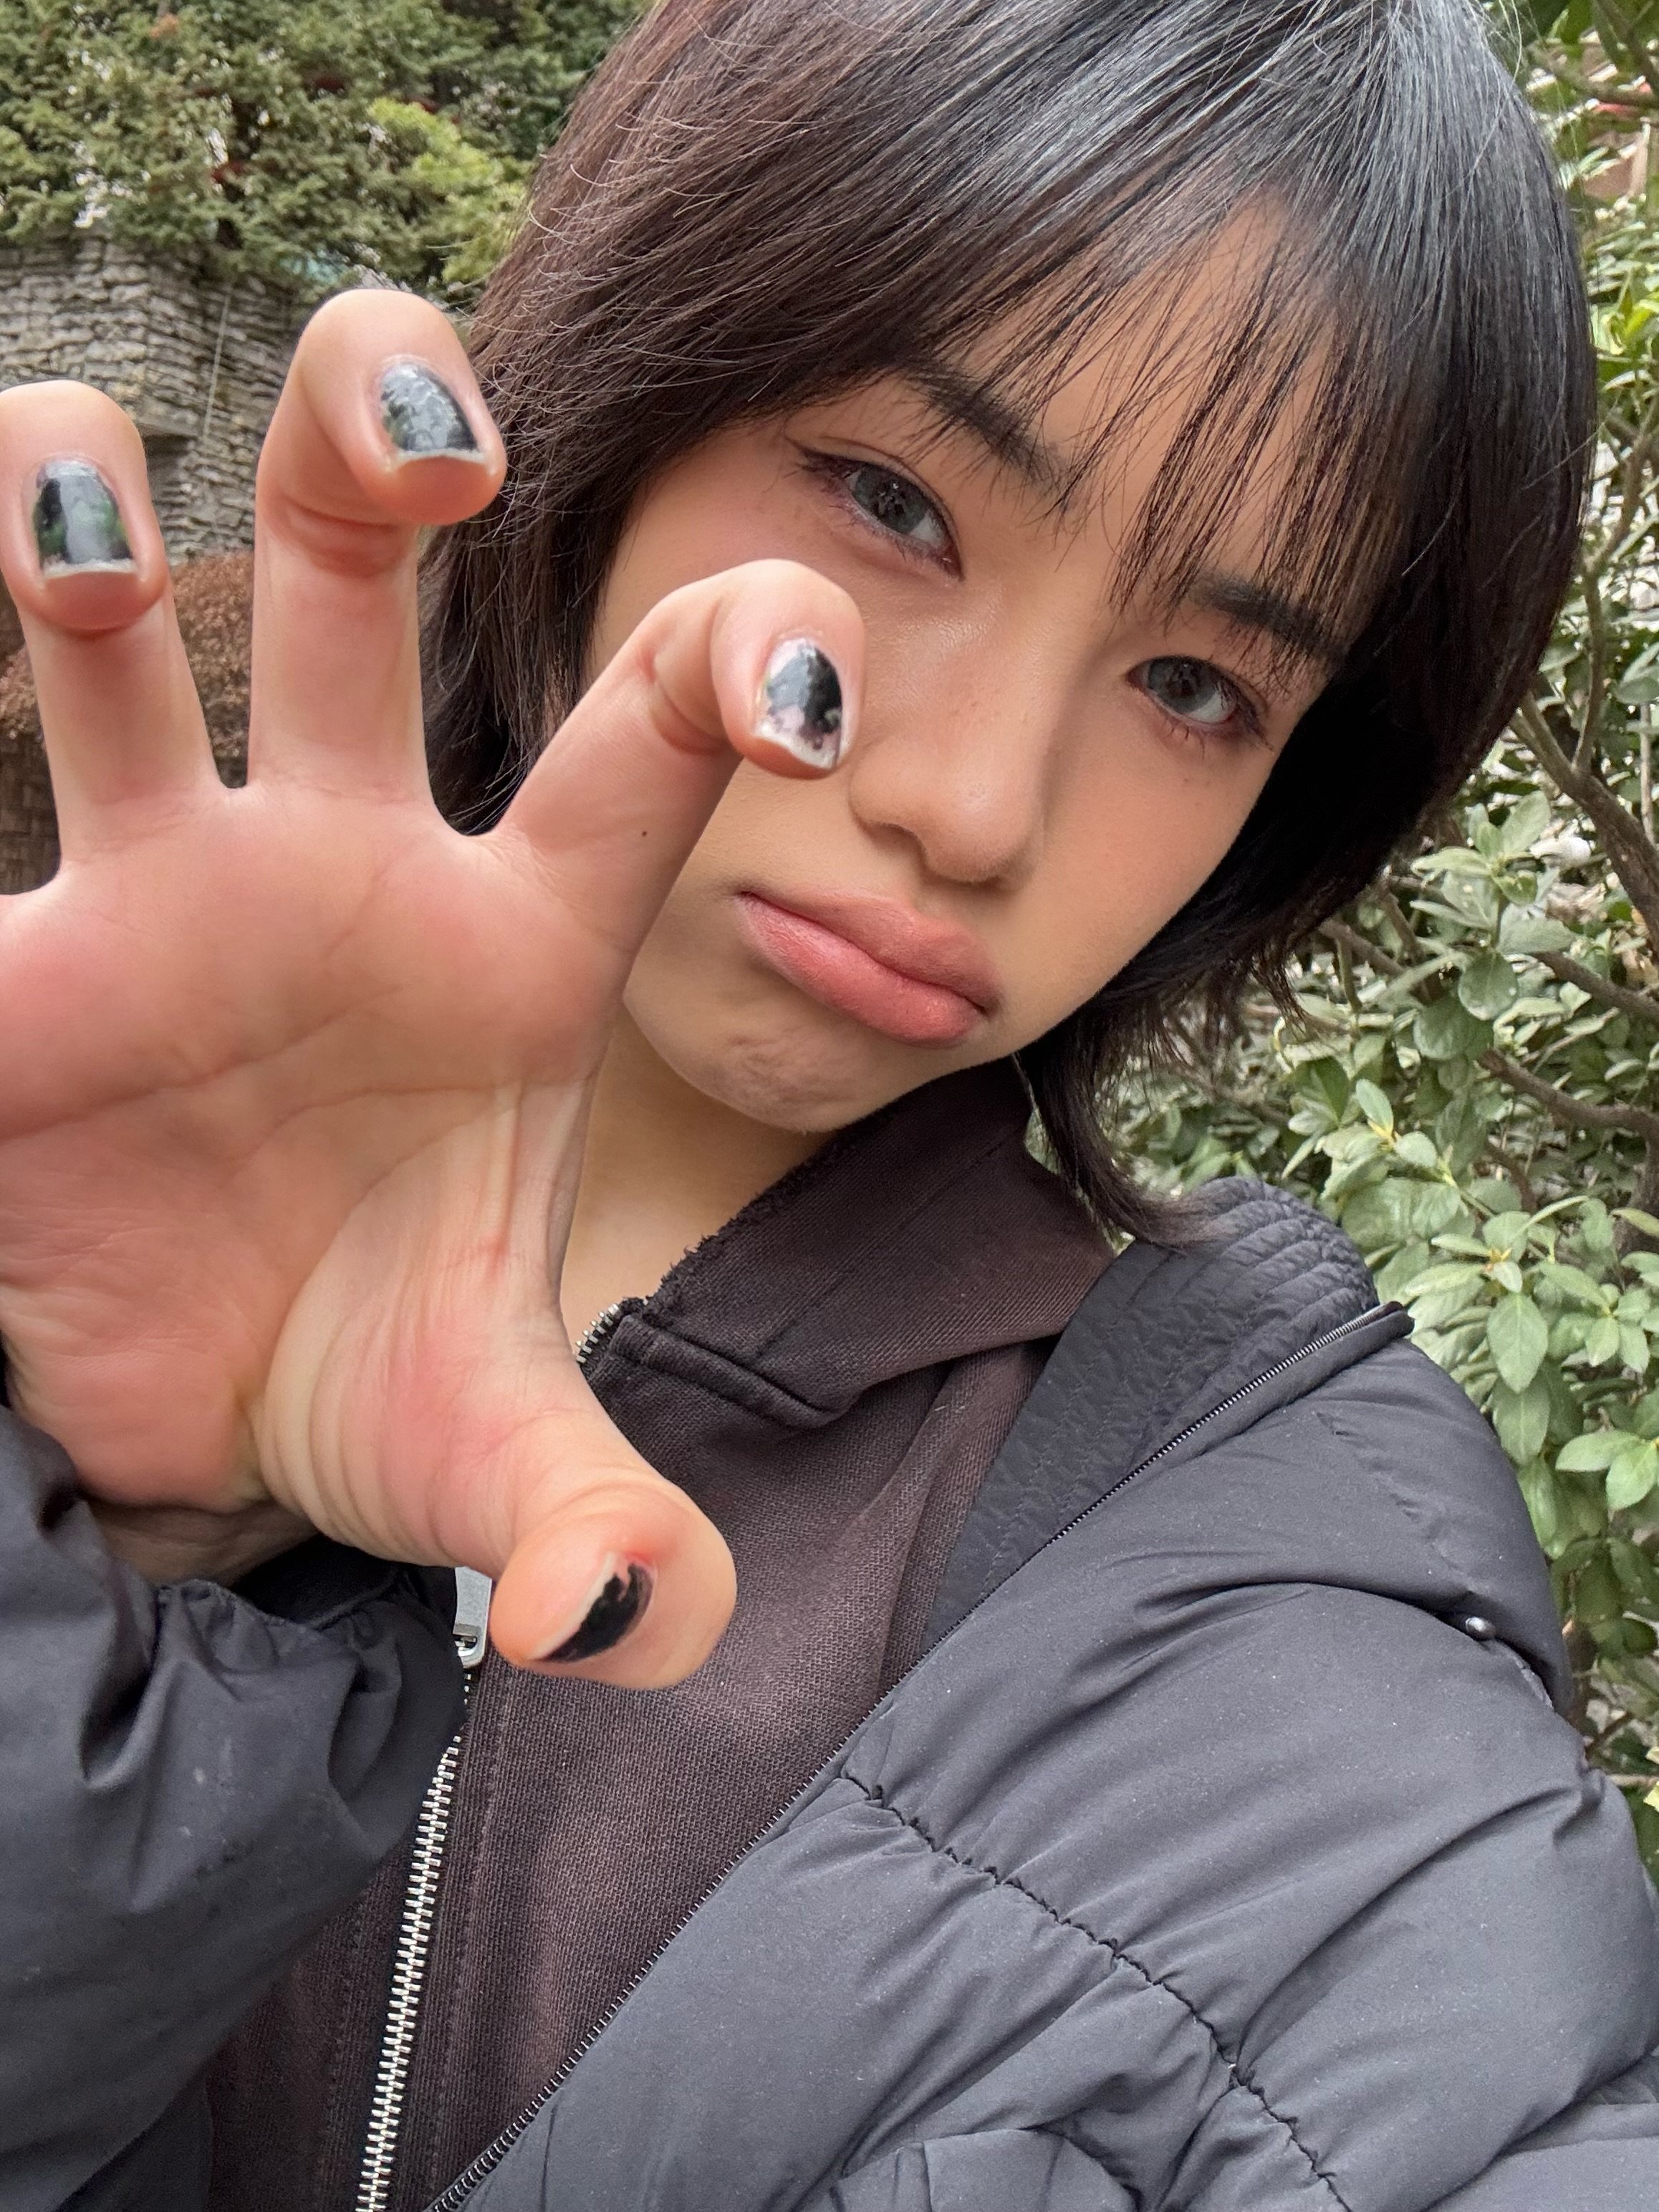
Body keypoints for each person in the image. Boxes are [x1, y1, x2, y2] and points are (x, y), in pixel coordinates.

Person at [1, 1, 1656, 2207]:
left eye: (1192, 685)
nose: (976, 810)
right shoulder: (57, 1169)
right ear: (624, 408)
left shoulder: (1263, 1623)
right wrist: (123, 1560)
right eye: (894, 503)